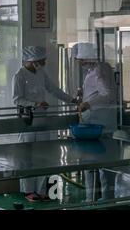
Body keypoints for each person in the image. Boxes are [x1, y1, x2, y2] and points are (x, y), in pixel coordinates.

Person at [12, 46, 76, 202]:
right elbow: (16, 99)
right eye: (42, 60)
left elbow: (54, 90)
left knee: (42, 156)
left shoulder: (41, 73)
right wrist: (35, 104)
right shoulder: (19, 75)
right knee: (27, 156)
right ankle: (28, 191)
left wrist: (72, 100)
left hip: (42, 119)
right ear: (33, 61)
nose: (44, 62)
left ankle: (41, 190)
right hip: (27, 119)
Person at [75, 42, 118, 202]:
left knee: (102, 165)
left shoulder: (100, 69)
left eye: (80, 59)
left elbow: (108, 94)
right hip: (94, 122)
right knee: (94, 164)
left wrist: (88, 103)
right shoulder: (94, 70)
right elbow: (97, 91)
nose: (79, 63)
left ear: (86, 58)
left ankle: (103, 198)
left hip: (101, 125)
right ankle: (94, 198)